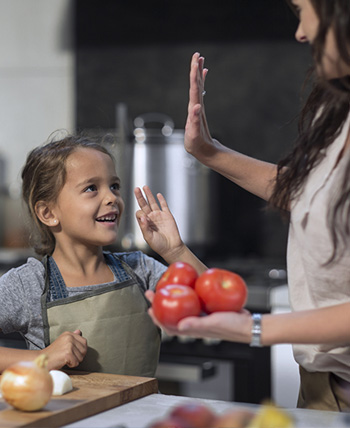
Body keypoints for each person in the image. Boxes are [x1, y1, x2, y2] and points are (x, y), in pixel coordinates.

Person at [144, 0, 350, 412]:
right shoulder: (336, 103)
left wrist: (256, 327)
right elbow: (309, 191)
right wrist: (207, 151)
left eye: (302, 11)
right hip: (322, 386)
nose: (301, 33)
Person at [0, 133, 206, 377]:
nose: (112, 198)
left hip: (142, 414)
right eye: (91, 188)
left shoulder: (141, 270)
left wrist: (176, 251)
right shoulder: (28, 285)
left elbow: (214, 307)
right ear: (48, 213)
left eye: (114, 186)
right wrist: (41, 358)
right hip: (69, 416)